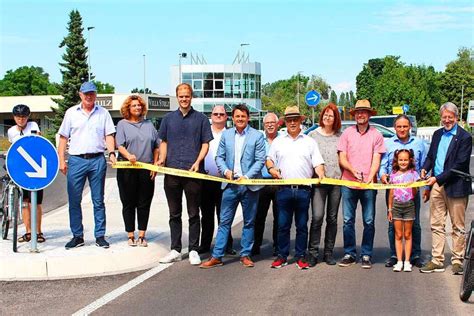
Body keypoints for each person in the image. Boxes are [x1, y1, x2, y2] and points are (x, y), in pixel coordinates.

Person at [200, 104, 265, 269]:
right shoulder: (226, 135)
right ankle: (217, 256)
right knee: (224, 222)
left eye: (243, 116)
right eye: (237, 116)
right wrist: (226, 171)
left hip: (249, 185)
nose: (240, 119)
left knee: (249, 222)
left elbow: (260, 160)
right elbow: (219, 157)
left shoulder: (257, 136)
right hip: (230, 185)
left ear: (248, 118)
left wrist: (248, 176)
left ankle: (246, 254)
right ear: (233, 118)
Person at [158, 83, 213, 265]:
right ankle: (175, 249)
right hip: (172, 172)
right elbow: (163, 142)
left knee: (193, 213)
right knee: (174, 213)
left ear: (191, 97)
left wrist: (198, 162)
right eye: (181, 96)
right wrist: (161, 160)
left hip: (193, 173)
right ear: (177, 97)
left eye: (187, 96)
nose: (184, 99)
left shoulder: (201, 119)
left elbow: (206, 143)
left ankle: (193, 250)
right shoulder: (167, 119)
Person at [58, 82, 116, 249]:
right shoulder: (71, 113)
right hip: (76, 161)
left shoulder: (103, 113)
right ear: (80, 95)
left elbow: (109, 135)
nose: (89, 96)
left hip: (98, 160)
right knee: (74, 200)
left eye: (92, 93)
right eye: (86, 94)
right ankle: (77, 236)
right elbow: (63, 138)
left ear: (96, 94)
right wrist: (62, 160)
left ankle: (100, 235)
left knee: (98, 200)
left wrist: (111, 153)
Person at [267, 106, 325, 270]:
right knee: (283, 225)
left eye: (295, 119)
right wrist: (271, 169)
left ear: (301, 121)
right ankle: (282, 256)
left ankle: (300, 256)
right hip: (284, 189)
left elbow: (318, 163)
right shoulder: (278, 141)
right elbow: (269, 160)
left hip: (303, 190)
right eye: (289, 119)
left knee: (301, 226)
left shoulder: (309, 142)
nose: (292, 122)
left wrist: (320, 172)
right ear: (285, 122)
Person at [420, 102, 472, 274]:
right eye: (444, 117)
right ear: (441, 117)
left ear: (456, 118)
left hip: (456, 185)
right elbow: (431, 156)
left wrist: (437, 178)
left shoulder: (465, 137)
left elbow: (460, 164)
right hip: (437, 186)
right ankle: (437, 260)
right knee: (436, 224)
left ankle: (457, 261)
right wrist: (424, 168)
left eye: (450, 117)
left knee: (457, 226)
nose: (447, 120)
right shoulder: (437, 134)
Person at [337, 99, 385, 269]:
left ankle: (366, 254)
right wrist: (352, 171)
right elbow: (342, 158)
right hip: (348, 183)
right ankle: (349, 253)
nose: (360, 115)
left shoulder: (376, 135)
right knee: (348, 220)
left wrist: (369, 177)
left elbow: (376, 159)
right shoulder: (347, 133)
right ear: (354, 115)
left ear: (369, 114)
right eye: (358, 112)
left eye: (364, 112)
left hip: (368, 185)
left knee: (369, 221)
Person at [379, 114, 427, 268]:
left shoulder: (419, 144)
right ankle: (395, 255)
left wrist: (426, 186)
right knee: (393, 223)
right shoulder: (388, 144)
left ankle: (415, 255)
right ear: (395, 128)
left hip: (412, 192)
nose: (402, 129)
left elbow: (425, 166)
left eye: (405, 126)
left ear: (410, 127)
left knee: (415, 224)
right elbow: (383, 165)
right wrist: (382, 175)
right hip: (393, 189)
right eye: (399, 126)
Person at [115, 95, 160, 247]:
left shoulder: (149, 125)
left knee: (144, 203)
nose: (137, 108)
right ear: (128, 108)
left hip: (146, 169)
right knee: (128, 202)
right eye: (134, 105)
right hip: (127, 169)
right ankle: (130, 235)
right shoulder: (122, 124)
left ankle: (142, 235)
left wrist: (154, 165)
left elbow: (156, 146)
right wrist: (128, 156)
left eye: (139, 105)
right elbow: (119, 145)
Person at [307, 103, 342, 266]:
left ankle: (328, 252)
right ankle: (313, 252)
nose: (328, 117)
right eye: (325, 114)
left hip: (336, 182)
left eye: (331, 115)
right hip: (319, 183)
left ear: (336, 119)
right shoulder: (313, 135)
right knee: (317, 217)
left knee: (332, 218)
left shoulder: (340, 136)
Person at [199, 105, 235, 255]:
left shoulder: (231, 134)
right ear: (211, 116)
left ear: (226, 117)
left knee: (224, 215)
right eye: (216, 114)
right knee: (206, 215)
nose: (218, 116)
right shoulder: (204, 133)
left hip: (225, 181)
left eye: (222, 114)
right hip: (205, 180)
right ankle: (205, 244)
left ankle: (227, 244)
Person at [7, 104, 45, 243]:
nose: (21, 119)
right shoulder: (11, 131)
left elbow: (38, 141)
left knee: (37, 202)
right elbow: (13, 149)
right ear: (14, 117)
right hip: (21, 170)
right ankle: (28, 232)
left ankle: (38, 232)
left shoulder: (33, 126)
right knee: (25, 201)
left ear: (27, 117)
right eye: (18, 117)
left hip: (35, 169)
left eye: (23, 117)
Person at [252, 112, 280, 257]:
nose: (270, 125)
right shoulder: (258, 139)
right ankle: (255, 245)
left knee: (279, 216)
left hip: (278, 183)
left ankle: (277, 246)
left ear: (277, 124)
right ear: (264, 125)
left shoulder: (283, 140)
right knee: (259, 216)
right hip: (261, 182)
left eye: (272, 123)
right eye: (267, 123)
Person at [387, 149, 420, 272]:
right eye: (401, 160)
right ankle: (399, 261)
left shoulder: (413, 174)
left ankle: (407, 261)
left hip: (409, 206)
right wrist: (389, 209)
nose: (403, 162)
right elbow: (391, 193)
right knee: (398, 234)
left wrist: (413, 186)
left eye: (405, 160)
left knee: (408, 234)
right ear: (397, 161)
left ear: (410, 160)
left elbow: (415, 193)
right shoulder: (393, 175)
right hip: (396, 206)